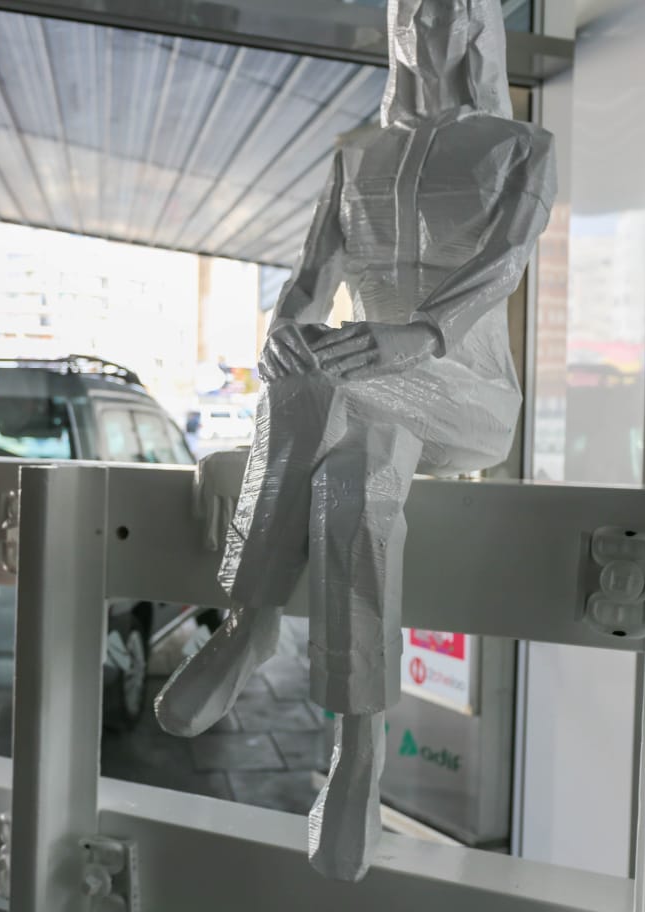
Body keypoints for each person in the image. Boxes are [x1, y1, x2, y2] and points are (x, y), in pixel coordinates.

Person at [154, 0, 557, 881]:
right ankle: (358, 746)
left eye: (450, 9)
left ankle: (250, 621)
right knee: (354, 465)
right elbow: (306, 282)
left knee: (332, 390)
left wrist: (417, 335)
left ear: (481, 25)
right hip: (365, 388)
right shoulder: (355, 154)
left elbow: (502, 271)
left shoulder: (521, 148)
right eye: (414, 9)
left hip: (469, 392)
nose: (430, 25)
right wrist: (282, 332)